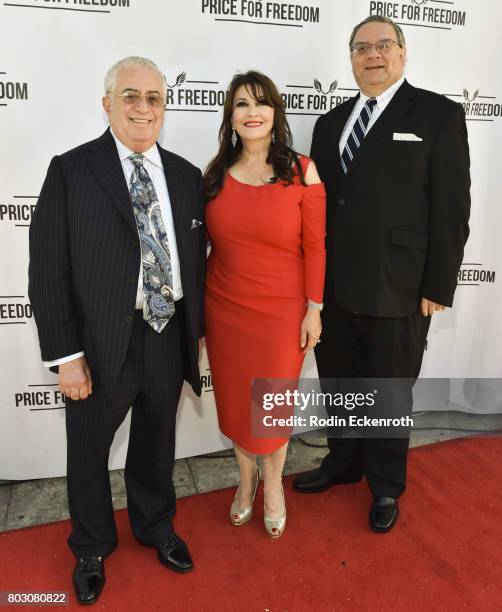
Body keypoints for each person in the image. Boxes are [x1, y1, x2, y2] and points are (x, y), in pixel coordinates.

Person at [28, 56, 205, 605]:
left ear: (164, 108)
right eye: (130, 95)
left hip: (166, 331)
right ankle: (91, 545)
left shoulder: (185, 175)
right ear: (107, 103)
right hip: (101, 343)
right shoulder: (71, 170)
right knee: (88, 447)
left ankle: (154, 525)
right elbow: (47, 269)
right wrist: (66, 356)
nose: (142, 107)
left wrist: (194, 333)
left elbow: (194, 263)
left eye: (154, 97)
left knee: (157, 441)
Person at [293, 15, 470, 532]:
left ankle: (386, 485)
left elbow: (452, 205)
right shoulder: (330, 124)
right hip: (333, 288)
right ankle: (343, 463)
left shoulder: (438, 114)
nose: (372, 54)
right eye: (361, 47)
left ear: (403, 51)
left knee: (390, 391)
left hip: (402, 284)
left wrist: (439, 283)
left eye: (383, 45)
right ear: (350, 58)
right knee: (341, 381)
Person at [203, 71, 326, 538]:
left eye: (261, 103)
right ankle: (245, 480)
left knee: (271, 408)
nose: (252, 112)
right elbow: (204, 249)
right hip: (224, 309)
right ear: (231, 117)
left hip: (281, 313)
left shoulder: (302, 171)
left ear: (275, 112)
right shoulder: (214, 173)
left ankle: (272, 484)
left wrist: (314, 307)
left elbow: (316, 247)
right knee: (238, 405)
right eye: (241, 104)